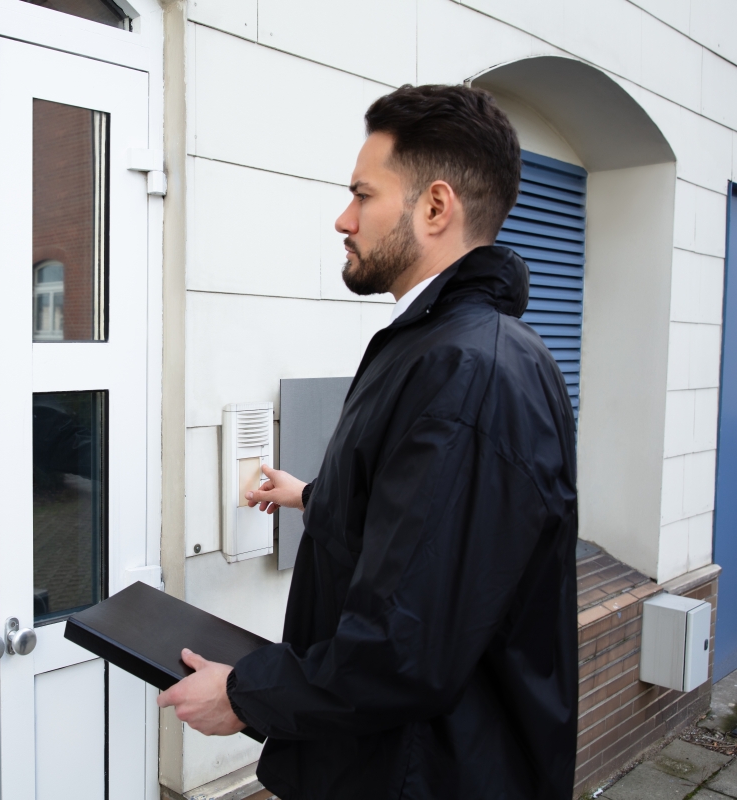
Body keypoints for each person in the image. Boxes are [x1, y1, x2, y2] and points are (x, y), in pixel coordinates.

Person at [156, 84, 578, 799]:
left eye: (362, 195)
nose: (342, 219)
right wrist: (311, 497)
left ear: (435, 207)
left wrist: (245, 695)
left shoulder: (467, 372)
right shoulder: (441, 347)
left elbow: (405, 645)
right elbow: (425, 523)